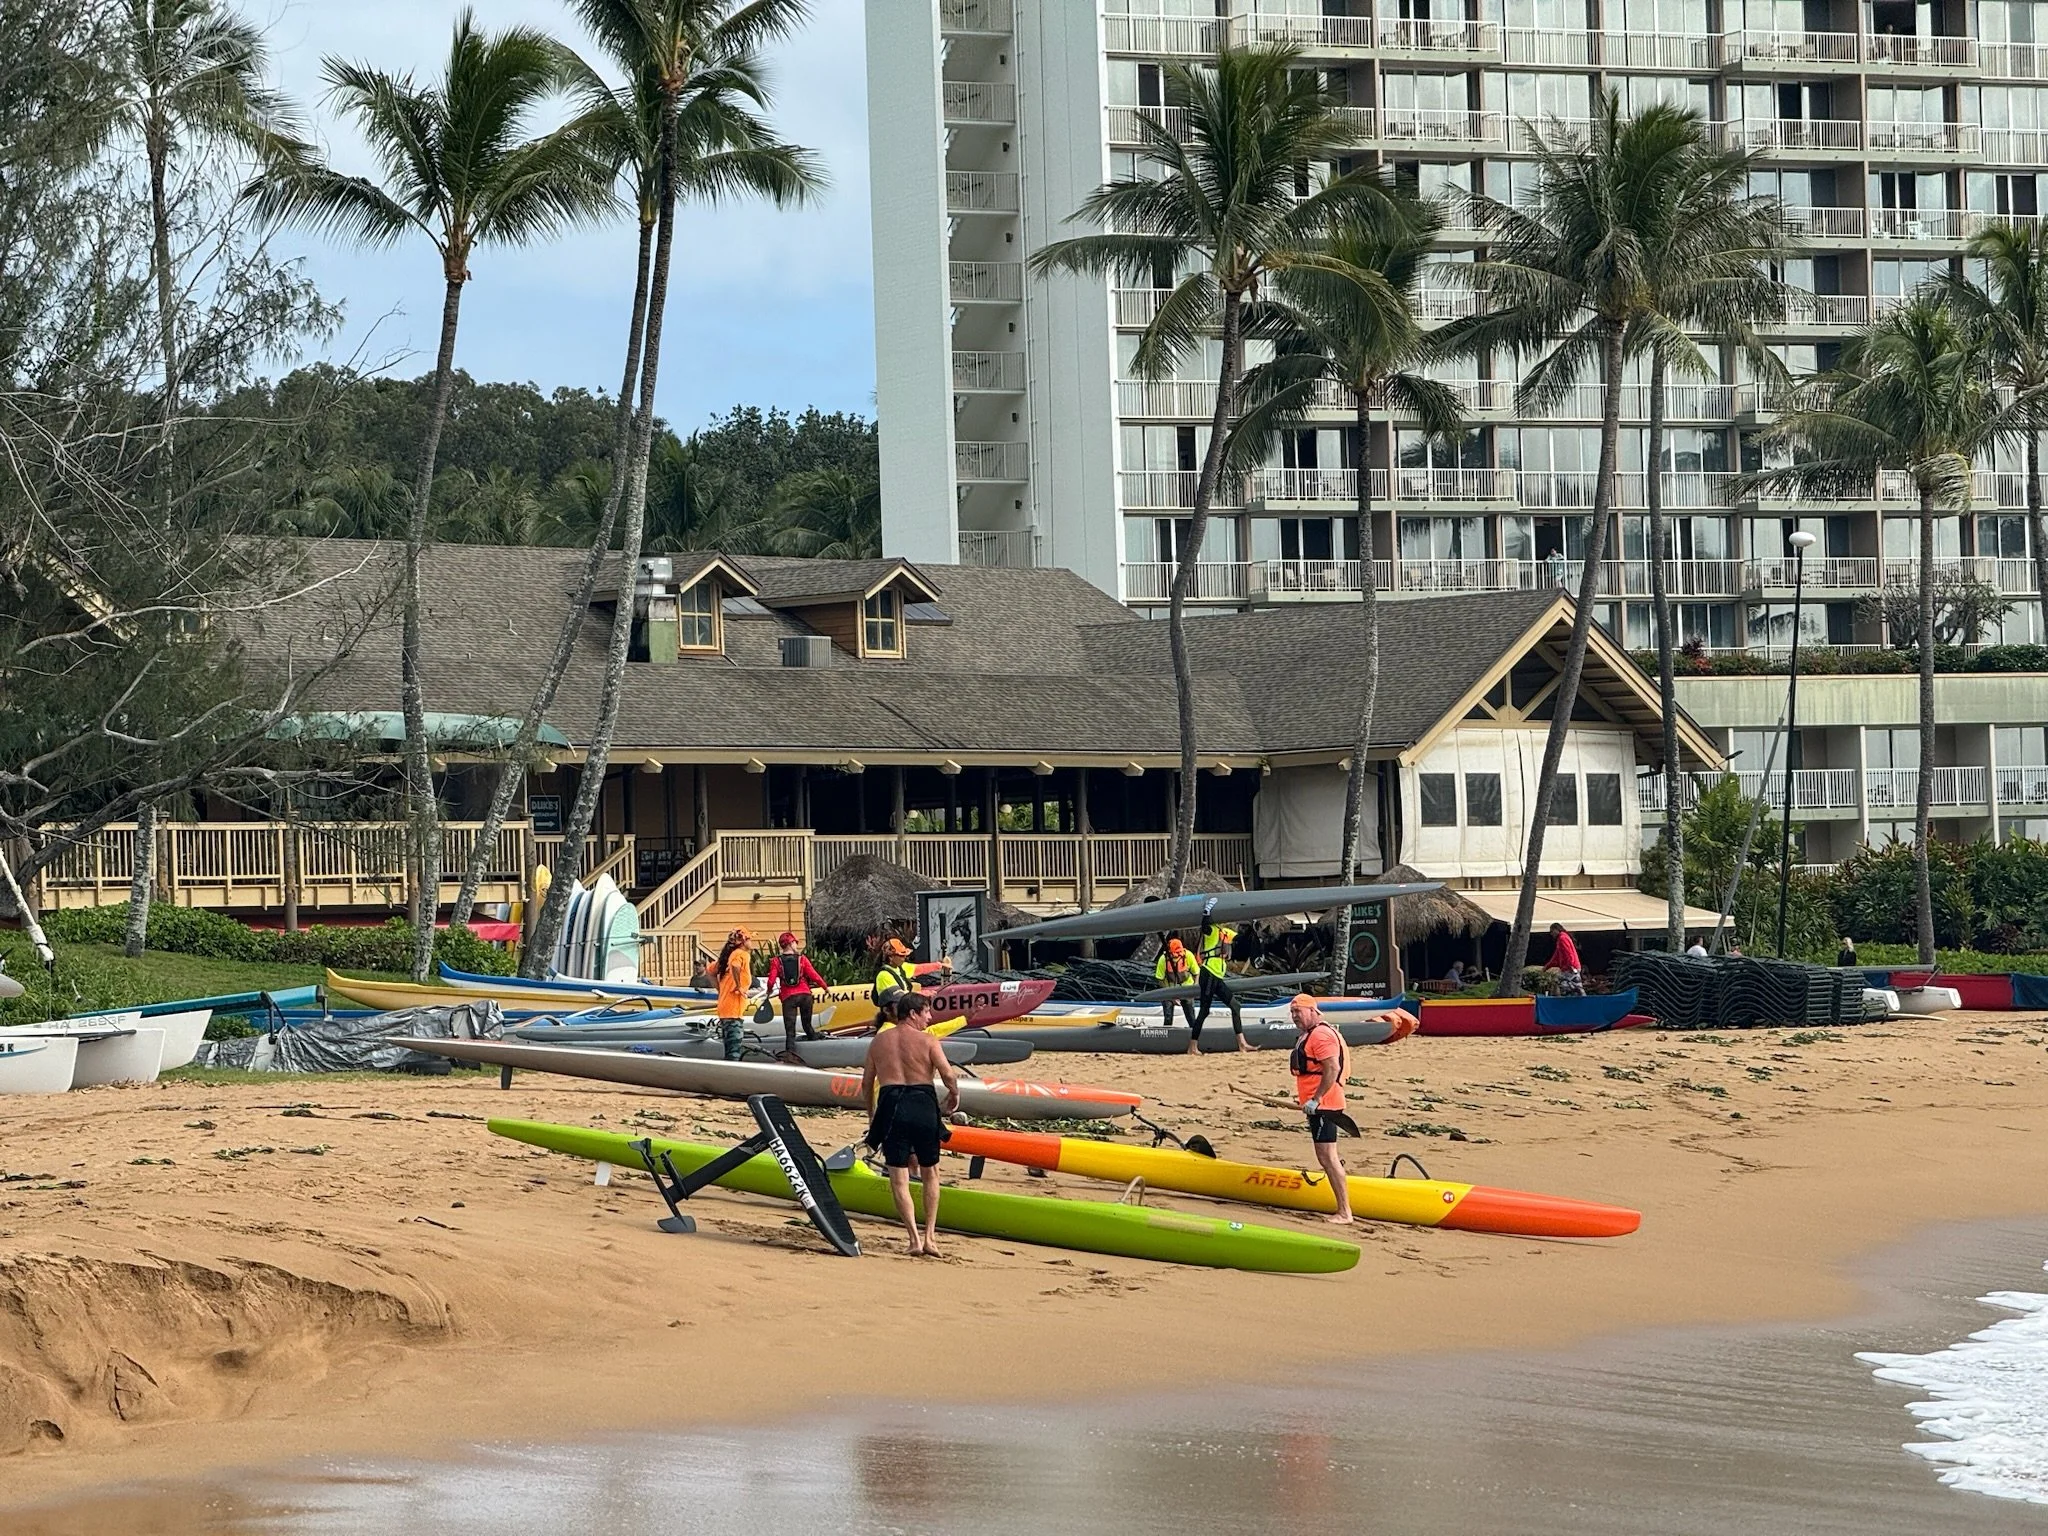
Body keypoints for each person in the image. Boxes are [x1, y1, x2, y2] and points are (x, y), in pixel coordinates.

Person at [859, 993, 961, 1256]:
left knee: (899, 1178)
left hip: (891, 1104)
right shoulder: (928, 1040)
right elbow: (947, 1073)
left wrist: (872, 1115)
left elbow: (866, 1083)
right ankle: (930, 1237)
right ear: (913, 1013)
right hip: (922, 1102)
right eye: (927, 1012)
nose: (930, 1017)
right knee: (930, 1172)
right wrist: (954, 1094)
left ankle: (914, 1239)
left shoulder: (878, 1042)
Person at [1288, 995, 1353, 1224]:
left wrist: (1316, 1099)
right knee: (1325, 1157)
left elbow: (1332, 1068)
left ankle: (1345, 1212)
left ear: (1313, 1011)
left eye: (1298, 1011)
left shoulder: (1321, 1035)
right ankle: (1343, 1208)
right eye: (1292, 1011)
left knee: (1328, 1157)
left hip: (1325, 1105)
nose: (1295, 1015)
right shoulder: (1310, 1034)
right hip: (1317, 1106)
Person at [763, 932, 827, 1059]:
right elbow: (814, 975)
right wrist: (825, 987)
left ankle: (790, 1054)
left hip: (788, 998)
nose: (796, 945)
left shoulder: (776, 961)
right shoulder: (802, 959)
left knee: (790, 1030)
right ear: (791, 944)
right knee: (807, 1025)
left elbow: (771, 981)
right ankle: (814, 1046)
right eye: (795, 943)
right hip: (805, 995)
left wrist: (769, 991)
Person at [1189, 915, 1246, 1054]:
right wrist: (1206, 913)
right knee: (1204, 1010)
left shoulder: (1225, 932)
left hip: (1218, 977)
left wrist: (1253, 926)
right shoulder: (1211, 931)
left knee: (1235, 1006)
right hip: (1208, 973)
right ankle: (1192, 1047)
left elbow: (1241, 939)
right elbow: (1204, 926)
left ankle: (1242, 1044)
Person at [870, 936, 950, 1009]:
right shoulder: (883, 975)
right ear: (891, 957)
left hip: (901, 1013)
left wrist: (940, 965)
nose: (904, 958)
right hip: (892, 1017)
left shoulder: (901, 967)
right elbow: (900, 997)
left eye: (905, 955)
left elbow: (920, 968)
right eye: (901, 955)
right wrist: (921, 994)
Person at [713, 928, 753, 1061]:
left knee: (729, 1048)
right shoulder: (741, 954)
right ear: (742, 941)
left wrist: (720, 990)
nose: (751, 942)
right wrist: (739, 986)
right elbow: (736, 966)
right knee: (734, 1052)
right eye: (749, 939)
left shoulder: (726, 958)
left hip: (725, 1008)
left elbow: (710, 971)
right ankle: (731, 1077)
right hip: (733, 1011)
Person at [1154, 936, 1199, 1029]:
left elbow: (1196, 973)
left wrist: (1194, 989)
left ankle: (1194, 1033)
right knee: (1168, 1015)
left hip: (1186, 987)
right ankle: (1167, 1033)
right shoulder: (1163, 960)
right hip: (1169, 988)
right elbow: (1160, 978)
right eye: (1175, 953)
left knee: (1191, 1016)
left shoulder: (1188, 956)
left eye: (1179, 952)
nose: (1178, 955)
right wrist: (1170, 995)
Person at [1547, 922, 1585, 996]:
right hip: (1570, 967)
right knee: (1572, 987)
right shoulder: (1562, 938)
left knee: (1564, 984)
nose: (1551, 934)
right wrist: (1547, 966)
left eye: (1552, 931)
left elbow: (1568, 953)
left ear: (1556, 930)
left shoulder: (1562, 938)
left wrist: (1571, 965)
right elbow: (1556, 955)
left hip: (1570, 968)